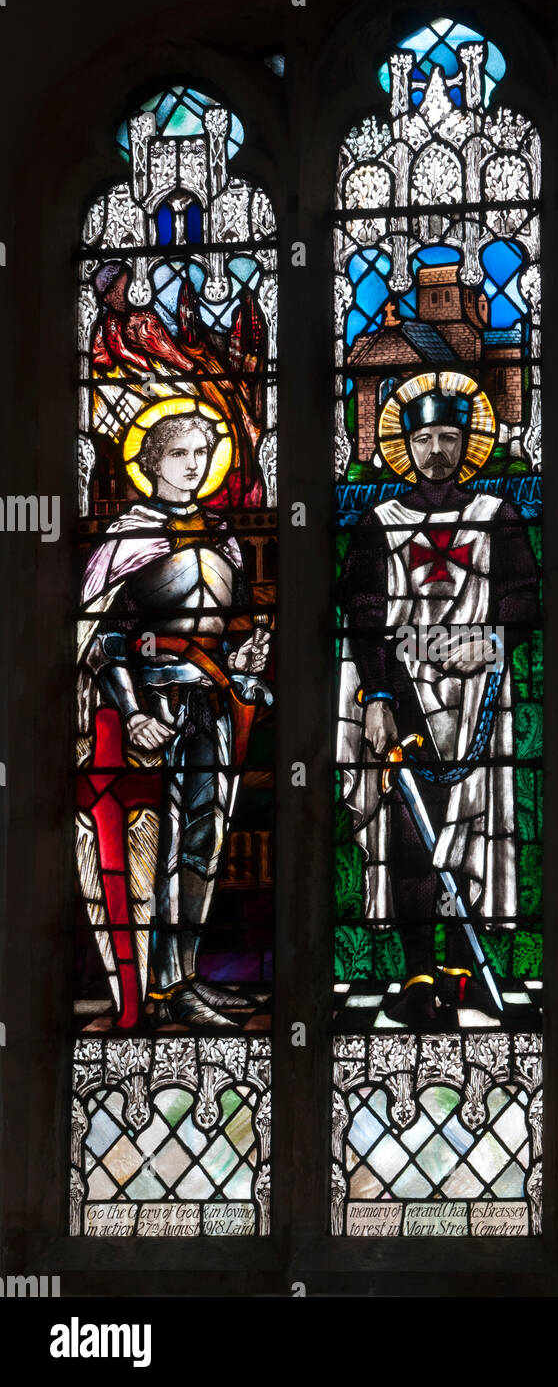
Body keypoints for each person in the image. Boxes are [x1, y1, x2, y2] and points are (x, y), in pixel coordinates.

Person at [337, 373, 539, 1028]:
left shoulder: (497, 516)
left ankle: (463, 970)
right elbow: (362, 616)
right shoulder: (377, 524)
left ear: (466, 443)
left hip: (480, 698)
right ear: (404, 445)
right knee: (409, 834)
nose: (435, 452)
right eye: (422, 438)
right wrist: (375, 697)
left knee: (475, 831)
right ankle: (418, 971)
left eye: (447, 437)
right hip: (405, 696)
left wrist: (489, 640)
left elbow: (521, 598)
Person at [76, 405, 271, 1028]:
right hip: (157, 709)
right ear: (152, 462)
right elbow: (103, 641)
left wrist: (246, 657)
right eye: (180, 454)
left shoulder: (222, 536)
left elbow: (228, 626)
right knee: (153, 854)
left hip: (214, 704)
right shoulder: (127, 539)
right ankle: (157, 988)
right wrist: (131, 713)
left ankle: (185, 974)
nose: (194, 465)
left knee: (202, 846)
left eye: (202, 454)